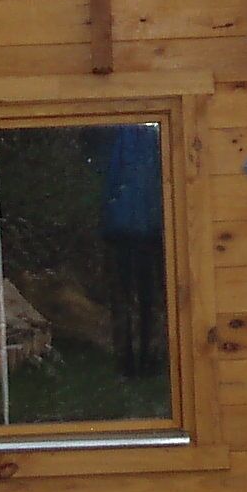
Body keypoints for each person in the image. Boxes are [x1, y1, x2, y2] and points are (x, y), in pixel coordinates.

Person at [99, 123, 165, 381]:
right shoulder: (120, 134)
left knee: (146, 299)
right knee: (130, 300)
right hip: (127, 230)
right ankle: (129, 362)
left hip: (144, 229)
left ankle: (144, 360)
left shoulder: (151, 134)